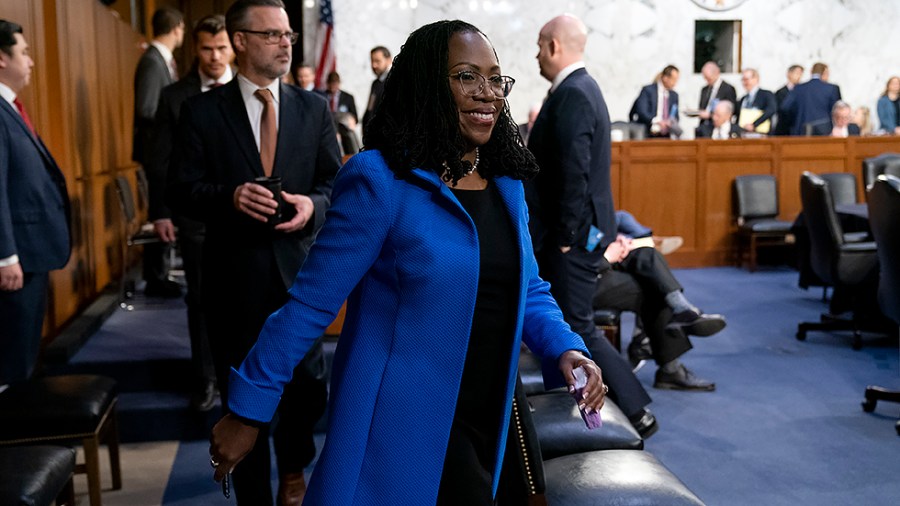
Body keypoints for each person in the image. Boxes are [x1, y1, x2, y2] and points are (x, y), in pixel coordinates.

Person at [209, 19, 607, 505]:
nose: (487, 94)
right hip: (405, 422)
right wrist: (248, 410)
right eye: (465, 77)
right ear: (426, 86)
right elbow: (310, 304)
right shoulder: (380, 180)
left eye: (495, 79)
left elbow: (527, 288)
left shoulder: (505, 183)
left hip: (492, 409)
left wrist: (565, 347)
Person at [167, 1, 340, 504]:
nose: (287, 43)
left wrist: (313, 204)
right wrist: (229, 196)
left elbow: (335, 183)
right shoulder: (201, 111)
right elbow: (180, 189)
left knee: (307, 390)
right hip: (232, 279)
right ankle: (252, 495)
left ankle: (292, 468)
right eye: (272, 35)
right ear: (239, 40)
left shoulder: (313, 109)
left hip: (299, 280)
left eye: (288, 34)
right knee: (242, 396)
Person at [525, 14, 657, 438]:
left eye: (539, 45)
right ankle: (593, 412)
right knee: (571, 325)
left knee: (576, 327)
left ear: (553, 46)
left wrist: (564, 240)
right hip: (578, 233)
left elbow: (574, 174)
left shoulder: (575, 94)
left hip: (573, 238)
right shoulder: (579, 89)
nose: (535, 54)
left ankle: (636, 413)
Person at [148, 14, 234, 412]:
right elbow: (161, 161)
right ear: (194, 49)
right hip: (196, 214)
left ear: (233, 47)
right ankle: (206, 379)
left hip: (249, 217)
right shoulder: (174, 96)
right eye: (206, 49)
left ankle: (247, 377)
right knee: (201, 298)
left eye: (221, 48)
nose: (215, 57)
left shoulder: (254, 90)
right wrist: (161, 212)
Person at [0, 20, 71, 385]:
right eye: (24, 53)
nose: (30, 62)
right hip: (16, 259)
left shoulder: (10, 107)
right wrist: (5, 255)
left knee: (25, 355)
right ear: (1, 58)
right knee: (12, 362)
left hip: (29, 254)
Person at [593, 235, 725, 390]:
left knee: (646, 254)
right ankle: (669, 368)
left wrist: (615, 241)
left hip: (597, 260)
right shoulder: (564, 213)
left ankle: (683, 309)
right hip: (582, 280)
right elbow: (563, 258)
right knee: (653, 288)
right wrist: (607, 257)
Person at [133, 7, 184, 298]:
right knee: (159, 213)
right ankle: (156, 278)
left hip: (161, 153)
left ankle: (161, 274)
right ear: (177, 27)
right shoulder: (152, 61)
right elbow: (147, 108)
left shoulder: (160, 60)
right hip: (157, 155)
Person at [781, 62, 842, 136]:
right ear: (825, 73)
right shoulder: (832, 89)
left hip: (801, 131)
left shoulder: (798, 88)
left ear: (811, 72)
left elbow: (785, 107)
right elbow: (839, 110)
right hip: (825, 130)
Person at [629, 65, 680, 138]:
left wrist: (670, 122)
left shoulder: (674, 95)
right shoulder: (648, 91)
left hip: (666, 134)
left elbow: (676, 116)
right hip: (648, 132)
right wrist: (657, 121)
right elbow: (641, 111)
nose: (675, 83)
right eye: (674, 79)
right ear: (665, 78)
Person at [696, 61, 737, 137]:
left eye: (709, 78)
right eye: (705, 78)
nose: (707, 80)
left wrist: (711, 115)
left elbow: (731, 110)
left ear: (716, 73)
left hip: (718, 126)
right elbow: (702, 106)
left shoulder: (728, 89)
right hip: (704, 127)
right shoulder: (705, 89)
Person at [735, 68, 777, 134]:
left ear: (756, 79)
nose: (744, 82)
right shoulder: (743, 99)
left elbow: (771, 109)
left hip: (761, 134)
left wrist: (754, 124)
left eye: (746, 79)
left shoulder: (766, 94)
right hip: (744, 134)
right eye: (743, 80)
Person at [361, 45, 391, 133]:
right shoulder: (376, 83)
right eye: (372, 61)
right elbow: (370, 109)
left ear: (389, 60)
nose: (374, 65)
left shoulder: (394, 82)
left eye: (378, 61)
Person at [774, 64, 803, 136]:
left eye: (800, 74)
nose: (799, 76)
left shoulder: (803, 91)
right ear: (789, 74)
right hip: (784, 129)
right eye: (797, 73)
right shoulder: (780, 92)